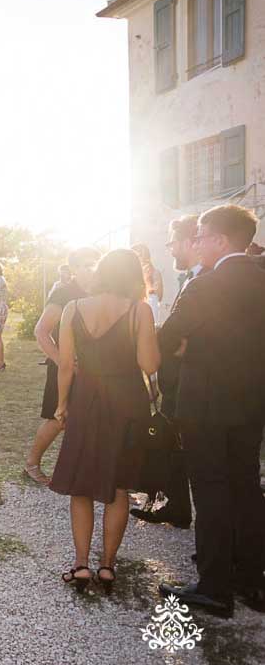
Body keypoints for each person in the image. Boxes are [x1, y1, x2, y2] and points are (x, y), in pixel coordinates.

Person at [156, 203, 265, 618]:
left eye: (200, 235)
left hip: (204, 405)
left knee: (212, 490)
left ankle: (215, 586)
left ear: (220, 239)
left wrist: (186, 346)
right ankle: (252, 579)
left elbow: (168, 338)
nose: (196, 242)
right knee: (246, 486)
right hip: (252, 403)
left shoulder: (205, 287)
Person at [49, 248, 160, 592]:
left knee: (80, 485)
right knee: (118, 487)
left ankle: (81, 564)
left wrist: (62, 405)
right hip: (127, 402)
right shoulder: (138, 310)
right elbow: (150, 365)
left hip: (86, 399)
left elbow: (66, 366)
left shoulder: (73, 308)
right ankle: (108, 566)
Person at [131, 215, 199, 531]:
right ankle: (177, 507)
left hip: (197, 382)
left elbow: (177, 334)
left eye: (172, 242)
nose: (170, 249)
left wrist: (161, 336)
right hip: (182, 379)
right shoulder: (191, 277)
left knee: (192, 453)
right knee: (175, 446)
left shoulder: (204, 280)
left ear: (191, 241)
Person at [25, 246, 99, 484]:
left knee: (92, 418)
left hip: (95, 368)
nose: (91, 269)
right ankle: (31, 463)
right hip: (64, 365)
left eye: (94, 263)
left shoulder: (102, 292)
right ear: (74, 269)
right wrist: (62, 360)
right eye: (86, 264)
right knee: (57, 419)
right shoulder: (64, 294)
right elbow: (41, 331)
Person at [132, 243, 164, 324]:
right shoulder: (132, 276)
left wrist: (148, 281)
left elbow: (157, 297)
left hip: (148, 317)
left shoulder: (154, 274)